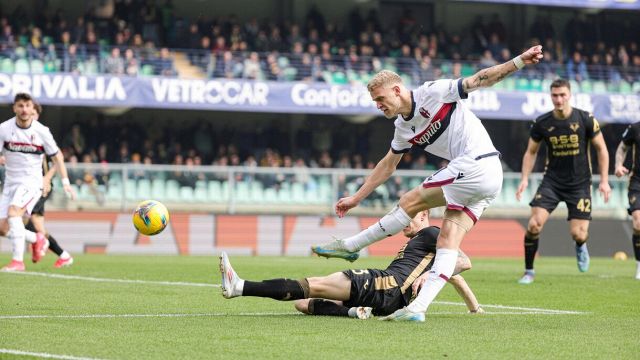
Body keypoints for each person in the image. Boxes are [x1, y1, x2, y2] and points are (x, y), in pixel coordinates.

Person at [306, 45, 543, 322]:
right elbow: (387, 165)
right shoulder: (403, 129)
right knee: (447, 241)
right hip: (486, 179)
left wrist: (518, 62)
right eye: (374, 102)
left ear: (397, 90)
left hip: (476, 164)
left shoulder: (433, 91)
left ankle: (351, 246)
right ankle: (418, 309)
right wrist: (357, 198)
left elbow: (480, 79)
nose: (378, 105)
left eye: (380, 98)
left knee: (410, 200)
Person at [220, 211, 483, 320]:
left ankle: (239, 286)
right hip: (390, 297)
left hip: (386, 285)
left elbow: (464, 262)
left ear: (424, 214)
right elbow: (455, 275)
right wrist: (475, 308)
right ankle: (356, 311)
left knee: (315, 285)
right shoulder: (424, 245)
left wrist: (428, 278)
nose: (404, 222)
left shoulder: (431, 233)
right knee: (303, 304)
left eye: (409, 216)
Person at [515, 79, 610, 284]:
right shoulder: (542, 123)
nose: (558, 99)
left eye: (562, 95)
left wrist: (604, 181)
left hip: (579, 185)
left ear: (569, 95)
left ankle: (580, 245)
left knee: (578, 233)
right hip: (552, 183)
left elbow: (601, 149)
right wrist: (524, 179)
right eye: (555, 95)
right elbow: (531, 152)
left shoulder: (585, 119)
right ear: (551, 96)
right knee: (534, 225)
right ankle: (529, 271)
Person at [0, 93, 76, 272]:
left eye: (27, 106)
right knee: (2, 229)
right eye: (20, 106)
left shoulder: (41, 131)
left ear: (32, 108)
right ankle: (38, 239)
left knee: (14, 214)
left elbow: (57, 157)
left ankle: (18, 261)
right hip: (11, 183)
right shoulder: (4, 129)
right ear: (14, 108)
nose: (24, 109)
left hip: (32, 183)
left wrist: (65, 181)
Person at [24, 102, 74, 268]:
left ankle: (40, 243)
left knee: (20, 217)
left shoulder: (41, 132)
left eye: (33, 113)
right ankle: (63, 255)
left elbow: (57, 158)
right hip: (30, 184)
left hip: (42, 186)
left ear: (36, 115)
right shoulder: (22, 132)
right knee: (37, 226)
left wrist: (47, 179)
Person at [614, 122, 640, 280]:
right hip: (637, 182)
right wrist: (618, 165)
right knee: (638, 223)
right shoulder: (636, 128)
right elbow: (623, 147)